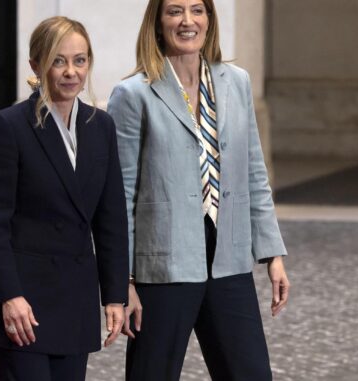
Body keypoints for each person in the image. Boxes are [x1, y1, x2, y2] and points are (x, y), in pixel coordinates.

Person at [106, 1, 290, 380]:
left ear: (209, 19)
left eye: (197, 10)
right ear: (157, 23)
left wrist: (272, 253)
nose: (187, 21)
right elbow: (120, 195)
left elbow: (255, 172)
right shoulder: (133, 94)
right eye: (175, 11)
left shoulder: (235, 81)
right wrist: (122, 281)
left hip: (229, 258)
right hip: (163, 266)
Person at [0, 16, 128, 381]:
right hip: (22, 305)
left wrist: (115, 295)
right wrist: (9, 296)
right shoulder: (7, 127)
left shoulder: (100, 127)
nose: (71, 72)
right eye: (59, 60)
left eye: (80, 60)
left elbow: (111, 220)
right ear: (36, 65)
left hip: (74, 302)